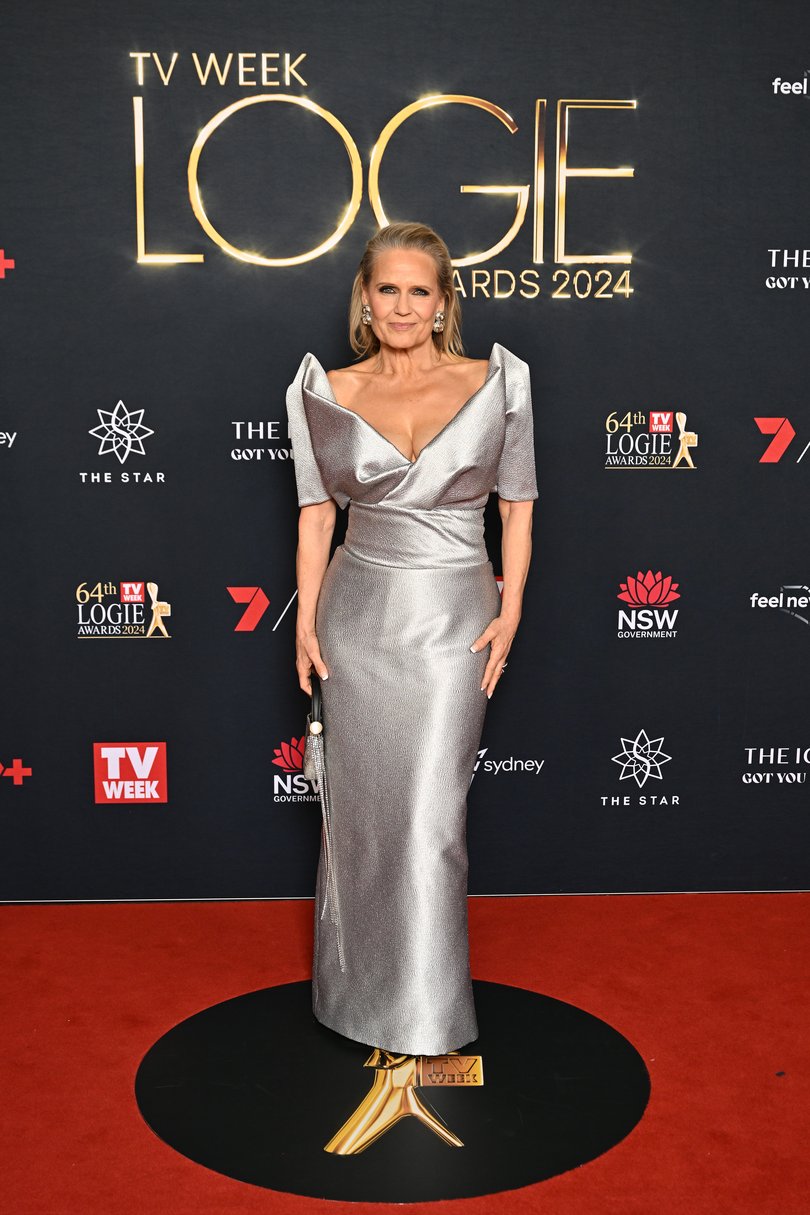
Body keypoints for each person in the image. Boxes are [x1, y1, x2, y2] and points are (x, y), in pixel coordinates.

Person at [286, 221, 537, 1060]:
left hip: (453, 623)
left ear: (442, 303)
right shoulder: (325, 391)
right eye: (385, 289)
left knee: (432, 818)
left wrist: (511, 611)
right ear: (365, 297)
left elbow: (517, 504)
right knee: (359, 818)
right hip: (357, 624)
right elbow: (318, 514)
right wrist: (307, 629)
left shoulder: (497, 381)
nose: (401, 305)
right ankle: (354, 995)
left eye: (418, 291)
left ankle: (426, 1015)